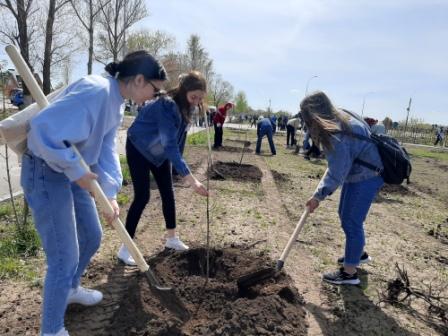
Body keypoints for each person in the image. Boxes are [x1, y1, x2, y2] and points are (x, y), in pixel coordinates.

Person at [21, 51, 166, 336]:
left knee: (92, 235)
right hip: (46, 170)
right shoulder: (96, 91)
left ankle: (70, 289)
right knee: (64, 256)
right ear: (139, 80)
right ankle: (50, 329)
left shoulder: (117, 102)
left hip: (73, 172)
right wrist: (76, 170)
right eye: (154, 89)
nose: (153, 96)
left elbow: (105, 149)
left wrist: (109, 192)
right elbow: (42, 130)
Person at [118, 71, 209, 266]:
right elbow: (170, 145)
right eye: (194, 97)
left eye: (200, 98)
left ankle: (171, 239)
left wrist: (179, 169)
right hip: (139, 147)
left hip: (159, 152)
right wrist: (191, 180)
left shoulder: (188, 107)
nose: (196, 102)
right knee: (143, 196)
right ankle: (125, 248)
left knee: (168, 193)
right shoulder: (167, 105)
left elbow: (179, 140)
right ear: (184, 91)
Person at [301, 91, 383, 285]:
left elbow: (336, 173)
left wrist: (317, 197)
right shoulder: (342, 115)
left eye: (307, 120)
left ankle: (349, 273)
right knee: (346, 214)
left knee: (351, 220)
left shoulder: (337, 133)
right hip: (360, 172)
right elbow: (339, 167)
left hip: (368, 176)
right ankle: (357, 255)